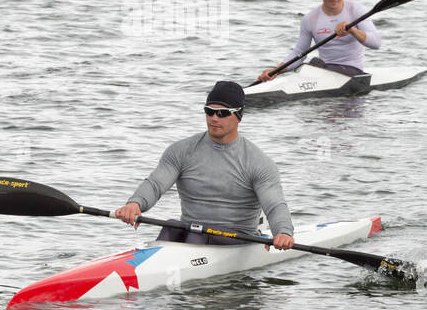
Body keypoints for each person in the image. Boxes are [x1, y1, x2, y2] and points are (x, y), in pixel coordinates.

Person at [114, 81, 295, 249]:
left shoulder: (258, 162)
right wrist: (135, 203)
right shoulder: (182, 151)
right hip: (192, 232)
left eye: (222, 113)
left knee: (196, 236)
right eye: (209, 111)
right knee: (172, 227)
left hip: (237, 239)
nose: (214, 118)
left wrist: (283, 232)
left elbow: (274, 205)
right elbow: (155, 185)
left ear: (238, 115)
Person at [257, 0, 381, 82]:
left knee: (311, 66)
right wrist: (276, 71)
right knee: (307, 66)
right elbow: (300, 52)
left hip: (352, 72)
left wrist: (352, 30)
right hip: (322, 70)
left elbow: (376, 43)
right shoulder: (310, 18)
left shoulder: (356, 11)